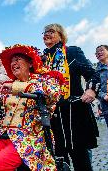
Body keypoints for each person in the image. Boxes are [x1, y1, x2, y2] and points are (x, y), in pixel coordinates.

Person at [0, 44, 62, 171]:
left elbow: (55, 92)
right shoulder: (9, 84)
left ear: (30, 63)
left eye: (18, 59)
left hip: (29, 140)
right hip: (4, 138)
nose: (14, 63)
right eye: (12, 61)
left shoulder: (43, 80)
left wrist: (15, 88)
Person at [42, 23, 100, 170]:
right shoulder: (42, 60)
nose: (46, 34)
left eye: (51, 31)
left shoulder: (72, 52)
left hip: (75, 112)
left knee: (80, 157)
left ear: (61, 35)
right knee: (59, 159)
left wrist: (91, 91)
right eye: (44, 32)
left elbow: (92, 74)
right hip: (53, 115)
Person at [98, 45, 108, 162]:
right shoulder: (96, 71)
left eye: (101, 50)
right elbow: (95, 89)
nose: (99, 53)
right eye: (97, 52)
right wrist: (104, 96)